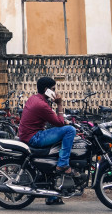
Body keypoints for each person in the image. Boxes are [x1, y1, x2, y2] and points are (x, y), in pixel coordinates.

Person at [17, 76, 76, 204]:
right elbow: (59, 123)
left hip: (29, 135)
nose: (55, 92)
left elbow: (53, 120)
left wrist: (62, 120)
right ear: (46, 90)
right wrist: (60, 104)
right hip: (34, 137)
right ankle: (63, 164)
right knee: (70, 130)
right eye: (53, 89)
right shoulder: (42, 104)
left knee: (54, 151)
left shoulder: (34, 98)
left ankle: (52, 195)